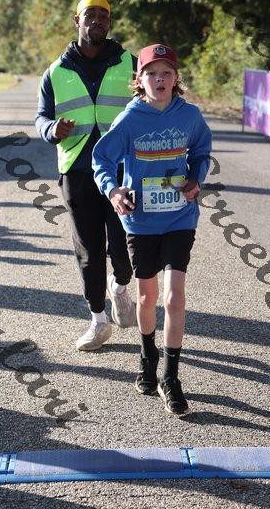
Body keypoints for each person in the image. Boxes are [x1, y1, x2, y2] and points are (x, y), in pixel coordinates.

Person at [92, 44, 212, 415]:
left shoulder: (189, 115)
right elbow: (102, 158)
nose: (159, 79)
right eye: (151, 73)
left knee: (174, 297)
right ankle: (147, 356)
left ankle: (170, 377)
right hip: (141, 221)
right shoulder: (130, 119)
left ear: (176, 78)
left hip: (179, 217)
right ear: (140, 80)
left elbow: (201, 151)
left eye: (166, 73)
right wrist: (113, 191)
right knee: (147, 298)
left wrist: (196, 179)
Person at [35, 0, 136, 352]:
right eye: (90, 15)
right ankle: (98, 321)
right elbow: (41, 117)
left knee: (126, 246)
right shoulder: (56, 71)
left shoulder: (130, 63)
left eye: (103, 15)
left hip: (122, 169)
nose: (97, 20)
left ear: (110, 22)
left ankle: (120, 287)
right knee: (89, 250)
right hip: (77, 170)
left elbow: (152, 104)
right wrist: (52, 130)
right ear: (76, 21)